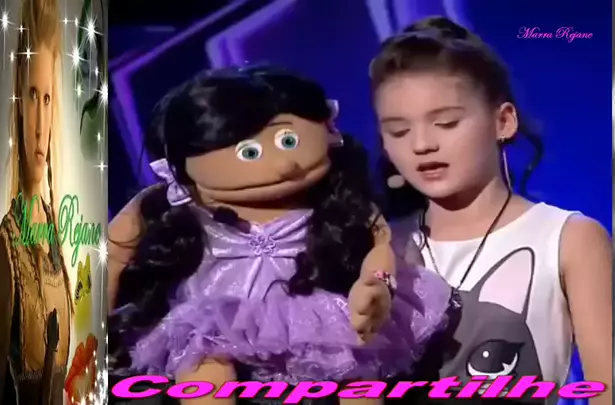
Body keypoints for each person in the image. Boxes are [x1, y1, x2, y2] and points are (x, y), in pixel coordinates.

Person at [107, 66, 452, 405]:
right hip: (218, 318)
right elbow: (112, 255)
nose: (285, 165)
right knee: (202, 359)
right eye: (250, 152)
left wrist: (377, 284)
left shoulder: (338, 203)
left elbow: (379, 245)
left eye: (288, 141)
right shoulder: (168, 205)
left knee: (354, 363)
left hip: (317, 314)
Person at [369, 17, 612, 404]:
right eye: (399, 131)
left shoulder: (568, 239)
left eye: (446, 123)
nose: (421, 144)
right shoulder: (382, 248)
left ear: (503, 121)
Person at [0, 0, 73, 404]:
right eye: (32, 97)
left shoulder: (56, 233)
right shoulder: (6, 244)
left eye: (47, 99)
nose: (41, 125)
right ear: (17, 104)